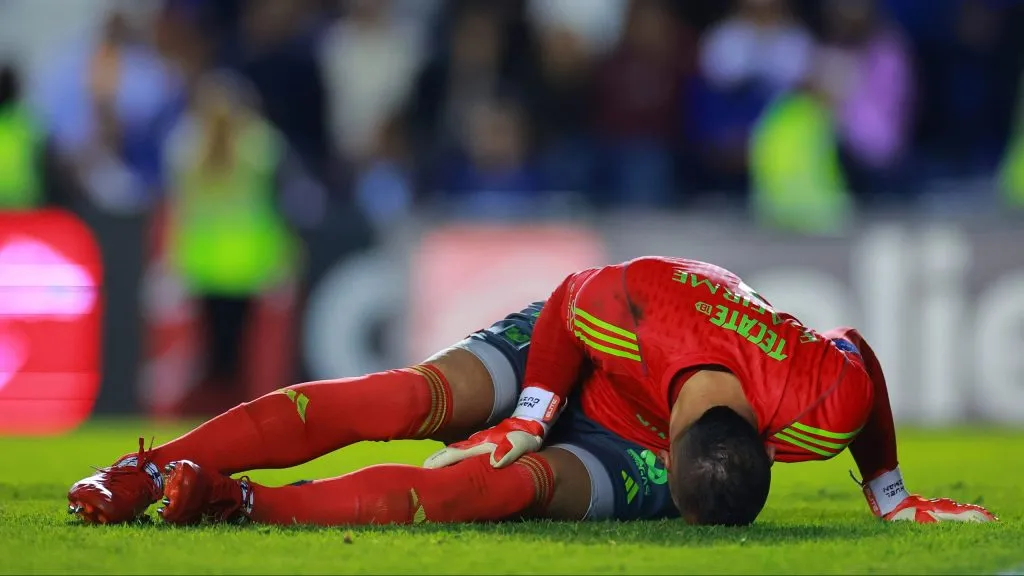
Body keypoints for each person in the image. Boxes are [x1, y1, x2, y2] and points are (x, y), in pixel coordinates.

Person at [68, 257, 996, 526]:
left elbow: (860, 357)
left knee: (503, 490)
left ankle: (238, 501)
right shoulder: (637, 304)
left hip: (633, 432)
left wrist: (889, 494)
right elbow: (565, 301)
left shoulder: (820, 402)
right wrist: (530, 419)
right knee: (412, 402)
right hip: (574, 354)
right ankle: (150, 465)